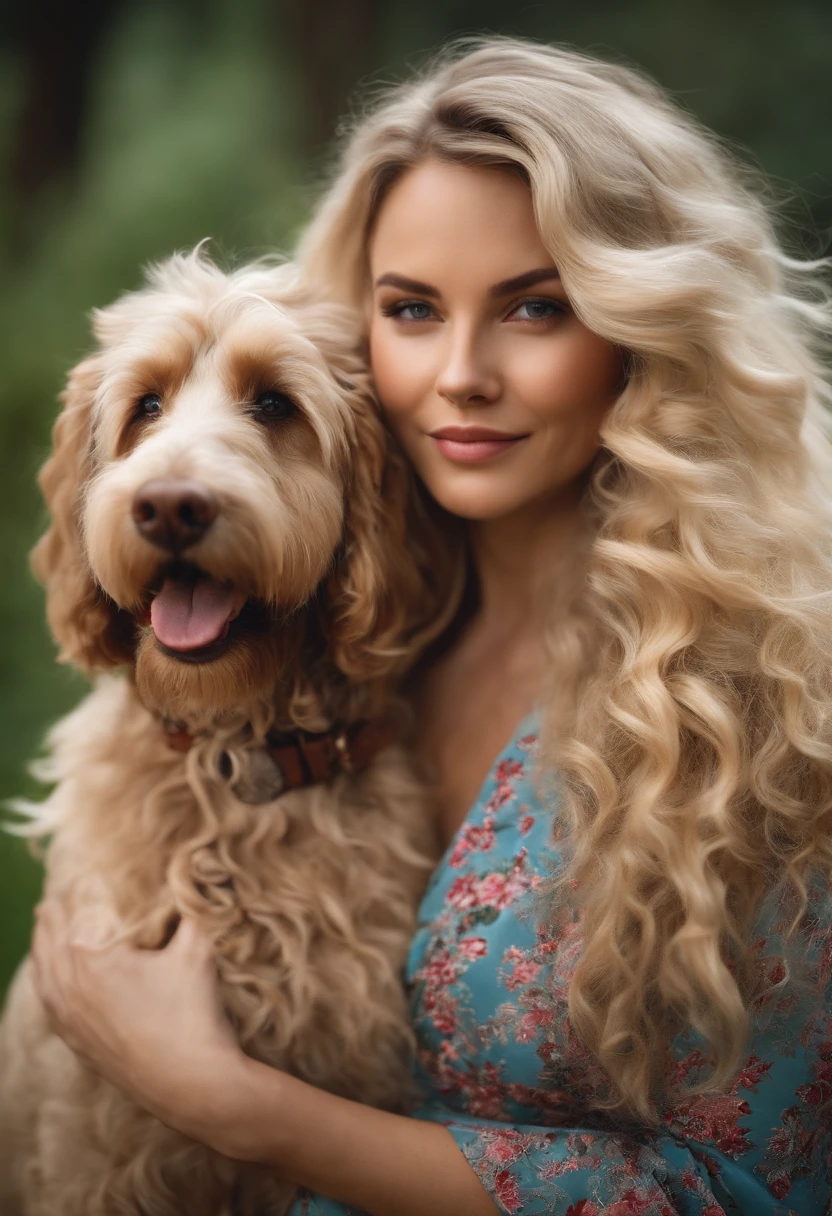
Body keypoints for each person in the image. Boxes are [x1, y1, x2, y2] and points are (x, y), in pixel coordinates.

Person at [30, 36, 832, 1216]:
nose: (460, 372)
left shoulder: (761, 703)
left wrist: (232, 1103)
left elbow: (727, 1189)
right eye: (410, 309)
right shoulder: (313, 637)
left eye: (534, 308)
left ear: (642, 330)